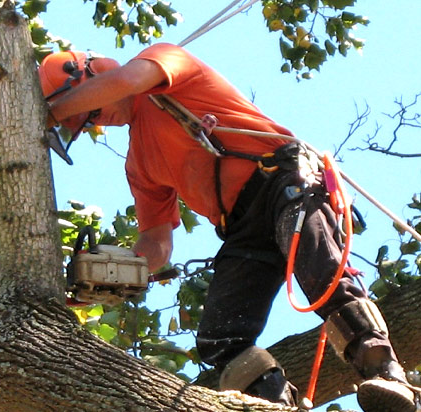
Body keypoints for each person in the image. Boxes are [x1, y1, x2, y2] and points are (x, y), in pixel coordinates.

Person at [38, 43, 420, 412]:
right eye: (84, 124)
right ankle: (272, 404)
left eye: (87, 111)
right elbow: (157, 242)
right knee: (220, 339)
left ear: (88, 74)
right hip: (241, 229)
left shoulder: (161, 62)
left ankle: (385, 372)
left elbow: (129, 80)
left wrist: (54, 112)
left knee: (316, 269)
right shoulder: (139, 162)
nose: (94, 121)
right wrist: (115, 276)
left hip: (281, 183)